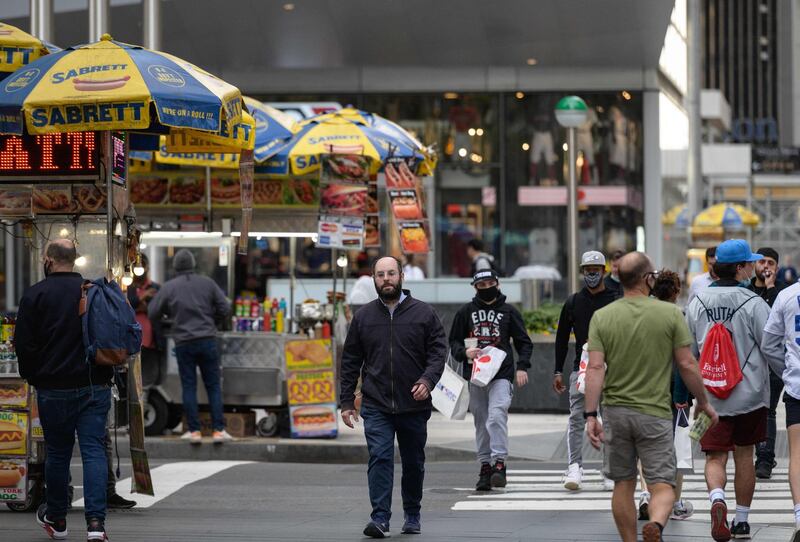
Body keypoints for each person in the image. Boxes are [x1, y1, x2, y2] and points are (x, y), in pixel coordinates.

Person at [585, 252, 717, 542]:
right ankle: (656, 524)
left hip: (615, 413)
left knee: (624, 482)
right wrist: (704, 402)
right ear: (648, 279)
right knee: (663, 485)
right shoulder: (670, 314)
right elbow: (686, 364)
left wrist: (590, 415)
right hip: (655, 413)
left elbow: (595, 367)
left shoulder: (602, 317)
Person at [339, 256, 447, 538]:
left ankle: (412, 513)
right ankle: (380, 518)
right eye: (380, 275)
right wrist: (347, 401)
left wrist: (427, 380)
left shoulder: (424, 314)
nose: (386, 279)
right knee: (380, 457)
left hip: (414, 403)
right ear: (373, 279)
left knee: (413, 462)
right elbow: (350, 360)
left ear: (401, 276)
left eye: (391, 274)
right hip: (376, 403)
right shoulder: (363, 317)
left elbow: (438, 353)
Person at [15, 239, 115, 542]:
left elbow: (24, 346)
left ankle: (58, 519)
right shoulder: (93, 290)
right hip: (94, 384)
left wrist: (34, 377)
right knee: (94, 452)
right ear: (76, 259)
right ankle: (96, 524)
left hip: (53, 387)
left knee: (58, 454)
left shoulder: (35, 295)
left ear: (48, 259)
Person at [684, 239, 771, 541]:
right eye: (749, 263)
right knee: (745, 456)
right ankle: (743, 521)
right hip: (749, 395)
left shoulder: (696, 302)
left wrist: (691, 393)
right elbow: (769, 345)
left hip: (709, 398)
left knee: (714, 458)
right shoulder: (753, 302)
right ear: (738, 268)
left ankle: (716, 499)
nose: (753, 267)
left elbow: (688, 352)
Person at [449, 269, 533, 491]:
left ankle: (499, 463)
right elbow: (454, 342)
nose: (486, 288)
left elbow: (524, 341)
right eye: (481, 285)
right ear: (475, 288)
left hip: (501, 374)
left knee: (496, 416)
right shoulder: (465, 312)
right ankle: (485, 466)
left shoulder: (509, 312)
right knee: (481, 420)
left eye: (489, 283)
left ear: (498, 283)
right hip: (475, 376)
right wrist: (464, 353)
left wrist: (522, 366)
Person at [148, 249, 232, 444]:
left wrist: (168, 319)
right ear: (193, 265)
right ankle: (219, 430)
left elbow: (152, 312)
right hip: (207, 340)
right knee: (213, 386)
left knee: (189, 385)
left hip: (184, 342)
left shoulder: (169, 287)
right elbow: (225, 308)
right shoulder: (207, 283)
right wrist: (212, 320)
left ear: (175, 266)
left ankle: (194, 432)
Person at [553, 250, 619, 491]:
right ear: (583, 272)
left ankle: (609, 469)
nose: (592, 275)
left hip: (612, 369)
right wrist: (557, 370)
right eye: (588, 271)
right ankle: (574, 467)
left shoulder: (615, 299)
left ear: (604, 271)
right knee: (576, 418)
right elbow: (561, 338)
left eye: (596, 271)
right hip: (580, 370)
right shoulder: (573, 302)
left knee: (610, 418)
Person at [637, 270, 695, 522]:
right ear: (676, 291)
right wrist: (683, 394)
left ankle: (645, 494)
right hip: (671, 390)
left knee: (646, 444)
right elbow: (682, 361)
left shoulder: (639, 314)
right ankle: (675, 499)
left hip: (642, 388)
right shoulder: (676, 316)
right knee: (675, 445)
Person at [761, 275, 800, 542]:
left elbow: (768, 343)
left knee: (797, 455)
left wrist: (785, 370)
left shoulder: (787, 296)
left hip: (797, 386)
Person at [747, 247, 786, 479]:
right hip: (748, 361)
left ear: (777, 268)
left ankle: (765, 458)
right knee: (754, 409)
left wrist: (771, 289)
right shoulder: (746, 290)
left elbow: (776, 322)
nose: (766, 267)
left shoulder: (781, 292)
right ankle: (759, 451)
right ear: (754, 265)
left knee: (768, 409)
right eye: (762, 262)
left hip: (772, 360)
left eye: (771, 263)